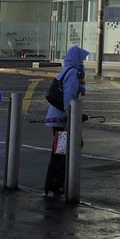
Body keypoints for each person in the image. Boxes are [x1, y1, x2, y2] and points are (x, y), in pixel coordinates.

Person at [44, 45, 88, 199]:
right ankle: (55, 184)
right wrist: (72, 115)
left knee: (61, 150)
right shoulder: (73, 72)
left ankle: (55, 184)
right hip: (62, 118)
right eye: (81, 58)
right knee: (64, 150)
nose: (83, 61)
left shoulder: (67, 70)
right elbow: (69, 95)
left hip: (58, 116)